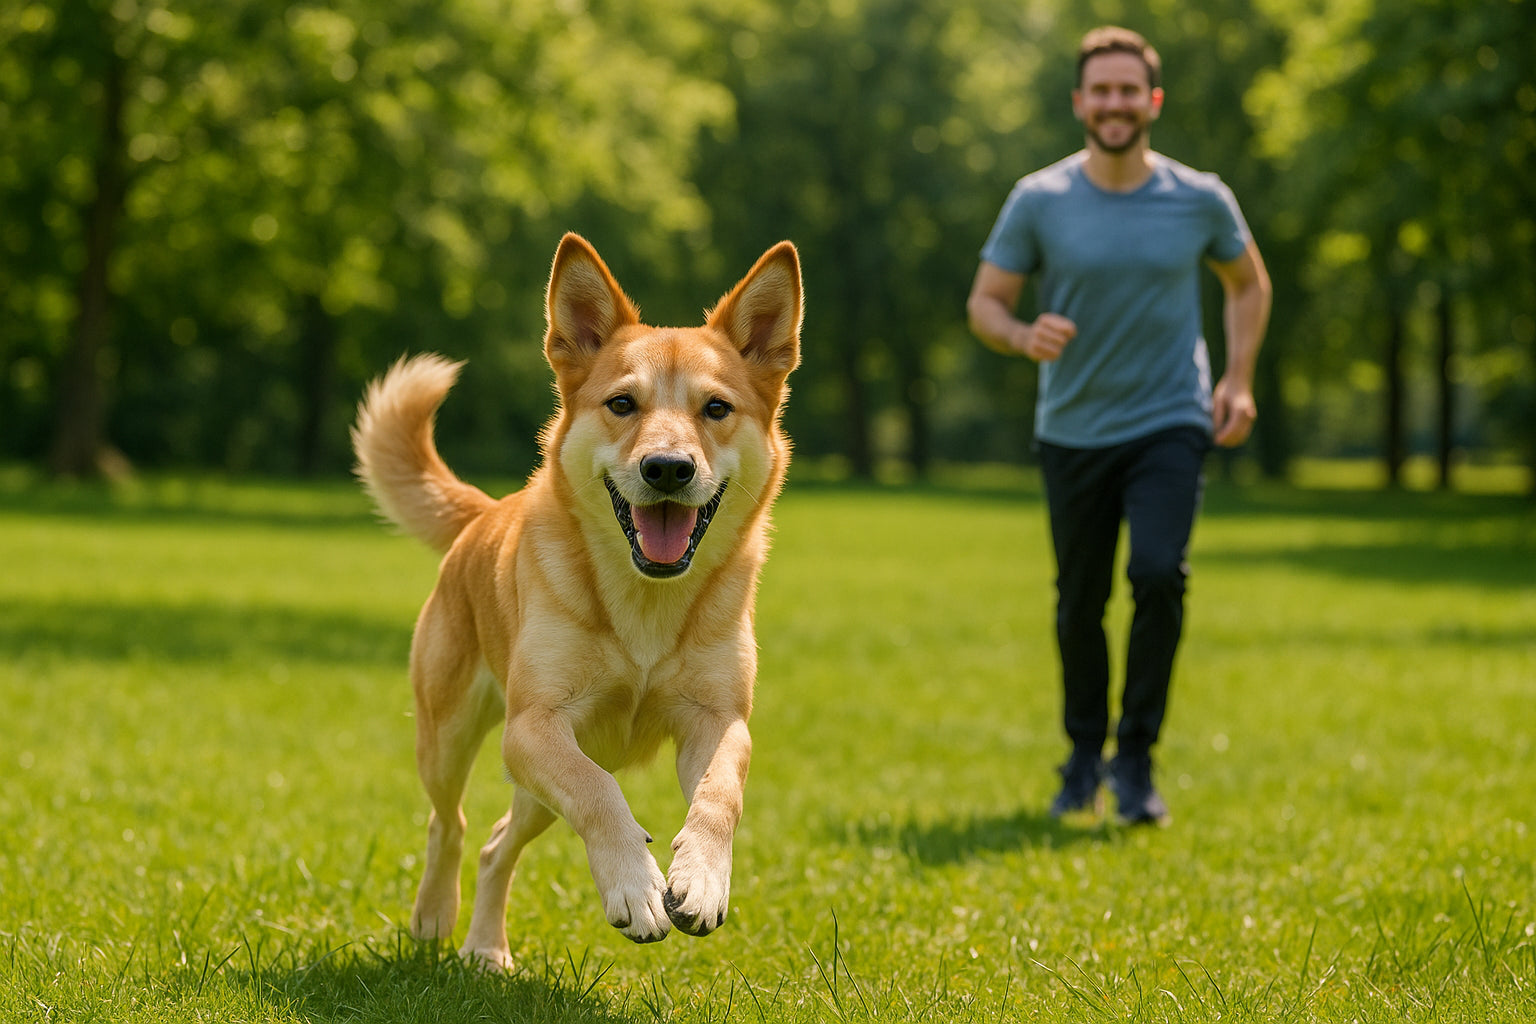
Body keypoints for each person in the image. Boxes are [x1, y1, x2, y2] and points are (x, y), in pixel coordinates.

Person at [966, 26, 1271, 826]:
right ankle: (1081, 759)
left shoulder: (1199, 197)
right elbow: (985, 303)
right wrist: (1020, 334)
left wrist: (1236, 380)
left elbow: (1248, 285)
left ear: (1152, 101)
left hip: (1171, 418)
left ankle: (1134, 761)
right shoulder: (1040, 199)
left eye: (1128, 90)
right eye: (1100, 90)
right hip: (1073, 428)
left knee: (1160, 575)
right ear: (1079, 102)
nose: (1114, 103)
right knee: (1080, 602)